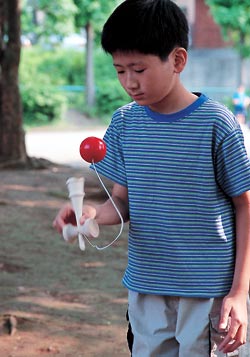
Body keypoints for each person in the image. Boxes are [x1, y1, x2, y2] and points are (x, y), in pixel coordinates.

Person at [53, 0, 250, 355]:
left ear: (177, 60)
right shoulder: (125, 123)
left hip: (207, 293)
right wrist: (93, 214)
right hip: (146, 287)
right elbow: (123, 202)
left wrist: (238, 292)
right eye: (119, 70)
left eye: (139, 69)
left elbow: (245, 206)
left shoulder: (216, 124)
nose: (129, 82)